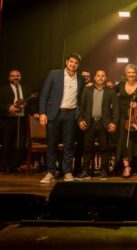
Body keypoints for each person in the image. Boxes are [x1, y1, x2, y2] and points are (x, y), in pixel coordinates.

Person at [39, 53, 85, 183]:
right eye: (71, 62)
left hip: (71, 115)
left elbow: (80, 100)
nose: (73, 64)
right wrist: (43, 113)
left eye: (76, 63)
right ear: (66, 62)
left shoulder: (81, 79)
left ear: (78, 65)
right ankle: (50, 172)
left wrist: (78, 115)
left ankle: (67, 172)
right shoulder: (54, 74)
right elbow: (44, 95)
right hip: (54, 113)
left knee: (68, 145)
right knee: (52, 144)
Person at [76, 70, 119, 180]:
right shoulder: (87, 89)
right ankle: (86, 171)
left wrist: (114, 122)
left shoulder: (111, 91)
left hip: (103, 123)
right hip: (89, 122)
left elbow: (116, 109)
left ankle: (103, 170)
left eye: (103, 76)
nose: (100, 77)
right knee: (87, 148)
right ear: (94, 78)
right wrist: (80, 120)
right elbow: (81, 106)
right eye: (98, 76)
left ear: (106, 78)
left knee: (104, 148)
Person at [0, 69, 37, 174]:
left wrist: (35, 113)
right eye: (13, 76)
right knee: (7, 144)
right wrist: (9, 108)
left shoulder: (27, 89)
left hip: (21, 120)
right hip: (8, 120)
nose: (15, 77)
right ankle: (6, 166)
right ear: (9, 78)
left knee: (20, 144)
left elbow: (31, 104)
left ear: (20, 77)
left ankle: (15, 165)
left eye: (17, 75)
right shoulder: (3, 89)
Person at [115, 64, 137, 179]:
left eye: (133, 72)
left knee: (134, 142)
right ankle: (126, 167)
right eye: (129, 72)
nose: (131, 74)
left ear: (136, 74)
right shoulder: (120, 85)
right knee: (124, 142)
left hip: (135, 118)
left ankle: (136, 166)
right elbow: (109, 93)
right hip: (122, 118)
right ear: (126, 74)